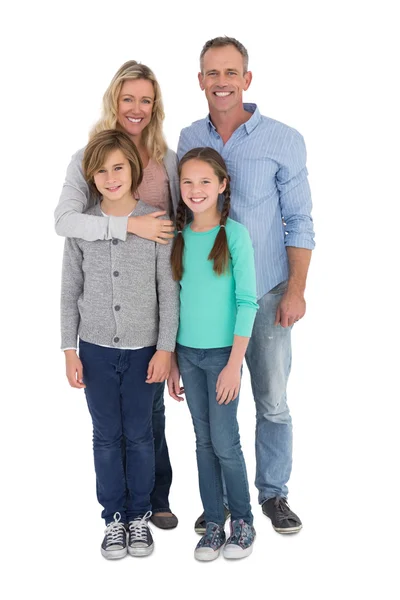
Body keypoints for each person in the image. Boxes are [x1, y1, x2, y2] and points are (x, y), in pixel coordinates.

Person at [177, 37, 315, 534]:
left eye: (230, 72)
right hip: (214, 305)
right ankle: (220, 499)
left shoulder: (283, 139)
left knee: (272, 399)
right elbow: (183, 216)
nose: (221, 82)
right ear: (200, 81)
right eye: (212, 73)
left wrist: (296, 289)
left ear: (247, 79)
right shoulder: (190, 137)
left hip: (271, 292)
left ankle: (273, 495)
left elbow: (299, 220)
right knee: (217, 406)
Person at [55, 60, 180, 529]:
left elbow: (180, 218)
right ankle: (121, 513)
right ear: (114, 100)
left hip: (155, 292)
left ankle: (150, 503)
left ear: (155, 106)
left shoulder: (166, 158)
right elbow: (66, 224)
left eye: (145, 99)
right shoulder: (87, 156)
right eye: (128, 98)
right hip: (101, 316)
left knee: (150, 414)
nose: (136, 108)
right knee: (113, 429)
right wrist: (128, 226)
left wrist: (169, 343)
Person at [167, 147, 259, 561]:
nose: (196, 189)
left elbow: (247, 303)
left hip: (224, 356)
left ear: (222, 185)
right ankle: (212, 522)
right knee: (203, 442)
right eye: (187, 181)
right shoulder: (178, 238)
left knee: (225, 442)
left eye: (206, 181)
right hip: (188, 354)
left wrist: (234, 365)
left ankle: (243, 520)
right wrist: (170, 359)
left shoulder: (234, 235)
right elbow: (172, 302)